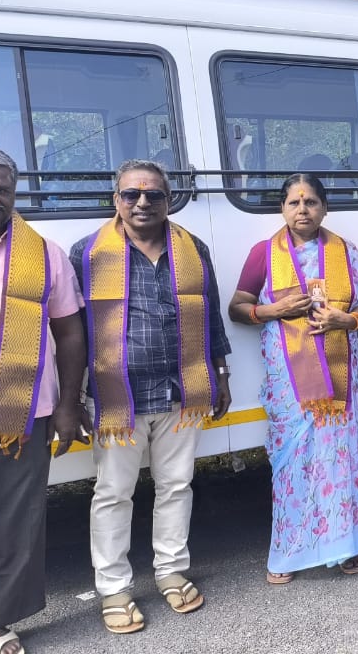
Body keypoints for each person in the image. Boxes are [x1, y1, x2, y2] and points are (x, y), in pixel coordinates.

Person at [71, 159, 232, 634]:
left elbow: (211, 313)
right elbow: (73, 331)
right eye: (131, 194)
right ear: (115, 200)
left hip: (183, 389)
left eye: (154, 195)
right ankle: (114, 588)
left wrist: (221, 373)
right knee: (114, 493)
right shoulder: (88, 252)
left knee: (177, 486)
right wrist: (74, 396)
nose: (142, 202)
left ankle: (170, 570)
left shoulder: (191, 248)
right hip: (117, 396)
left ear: (169, 199)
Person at [0, 146, 85, 654]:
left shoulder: (43, 253)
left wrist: (69, 405)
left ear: (14, 194)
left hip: (23, 411)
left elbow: (70, 333)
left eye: (1, 189)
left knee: (16, 521)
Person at [228, 173, 358, 584]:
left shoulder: (348, 252)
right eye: (294, 203)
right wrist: (276, 310)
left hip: (341, 375)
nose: (302, 210)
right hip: (290, 381)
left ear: (324, 207)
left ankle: (345, 545)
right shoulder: (263, 253)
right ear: (282, 209)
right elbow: (238, 307)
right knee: (292, 463)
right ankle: (290, 551)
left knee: (340, 458)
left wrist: (347, 319)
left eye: (310, 202)